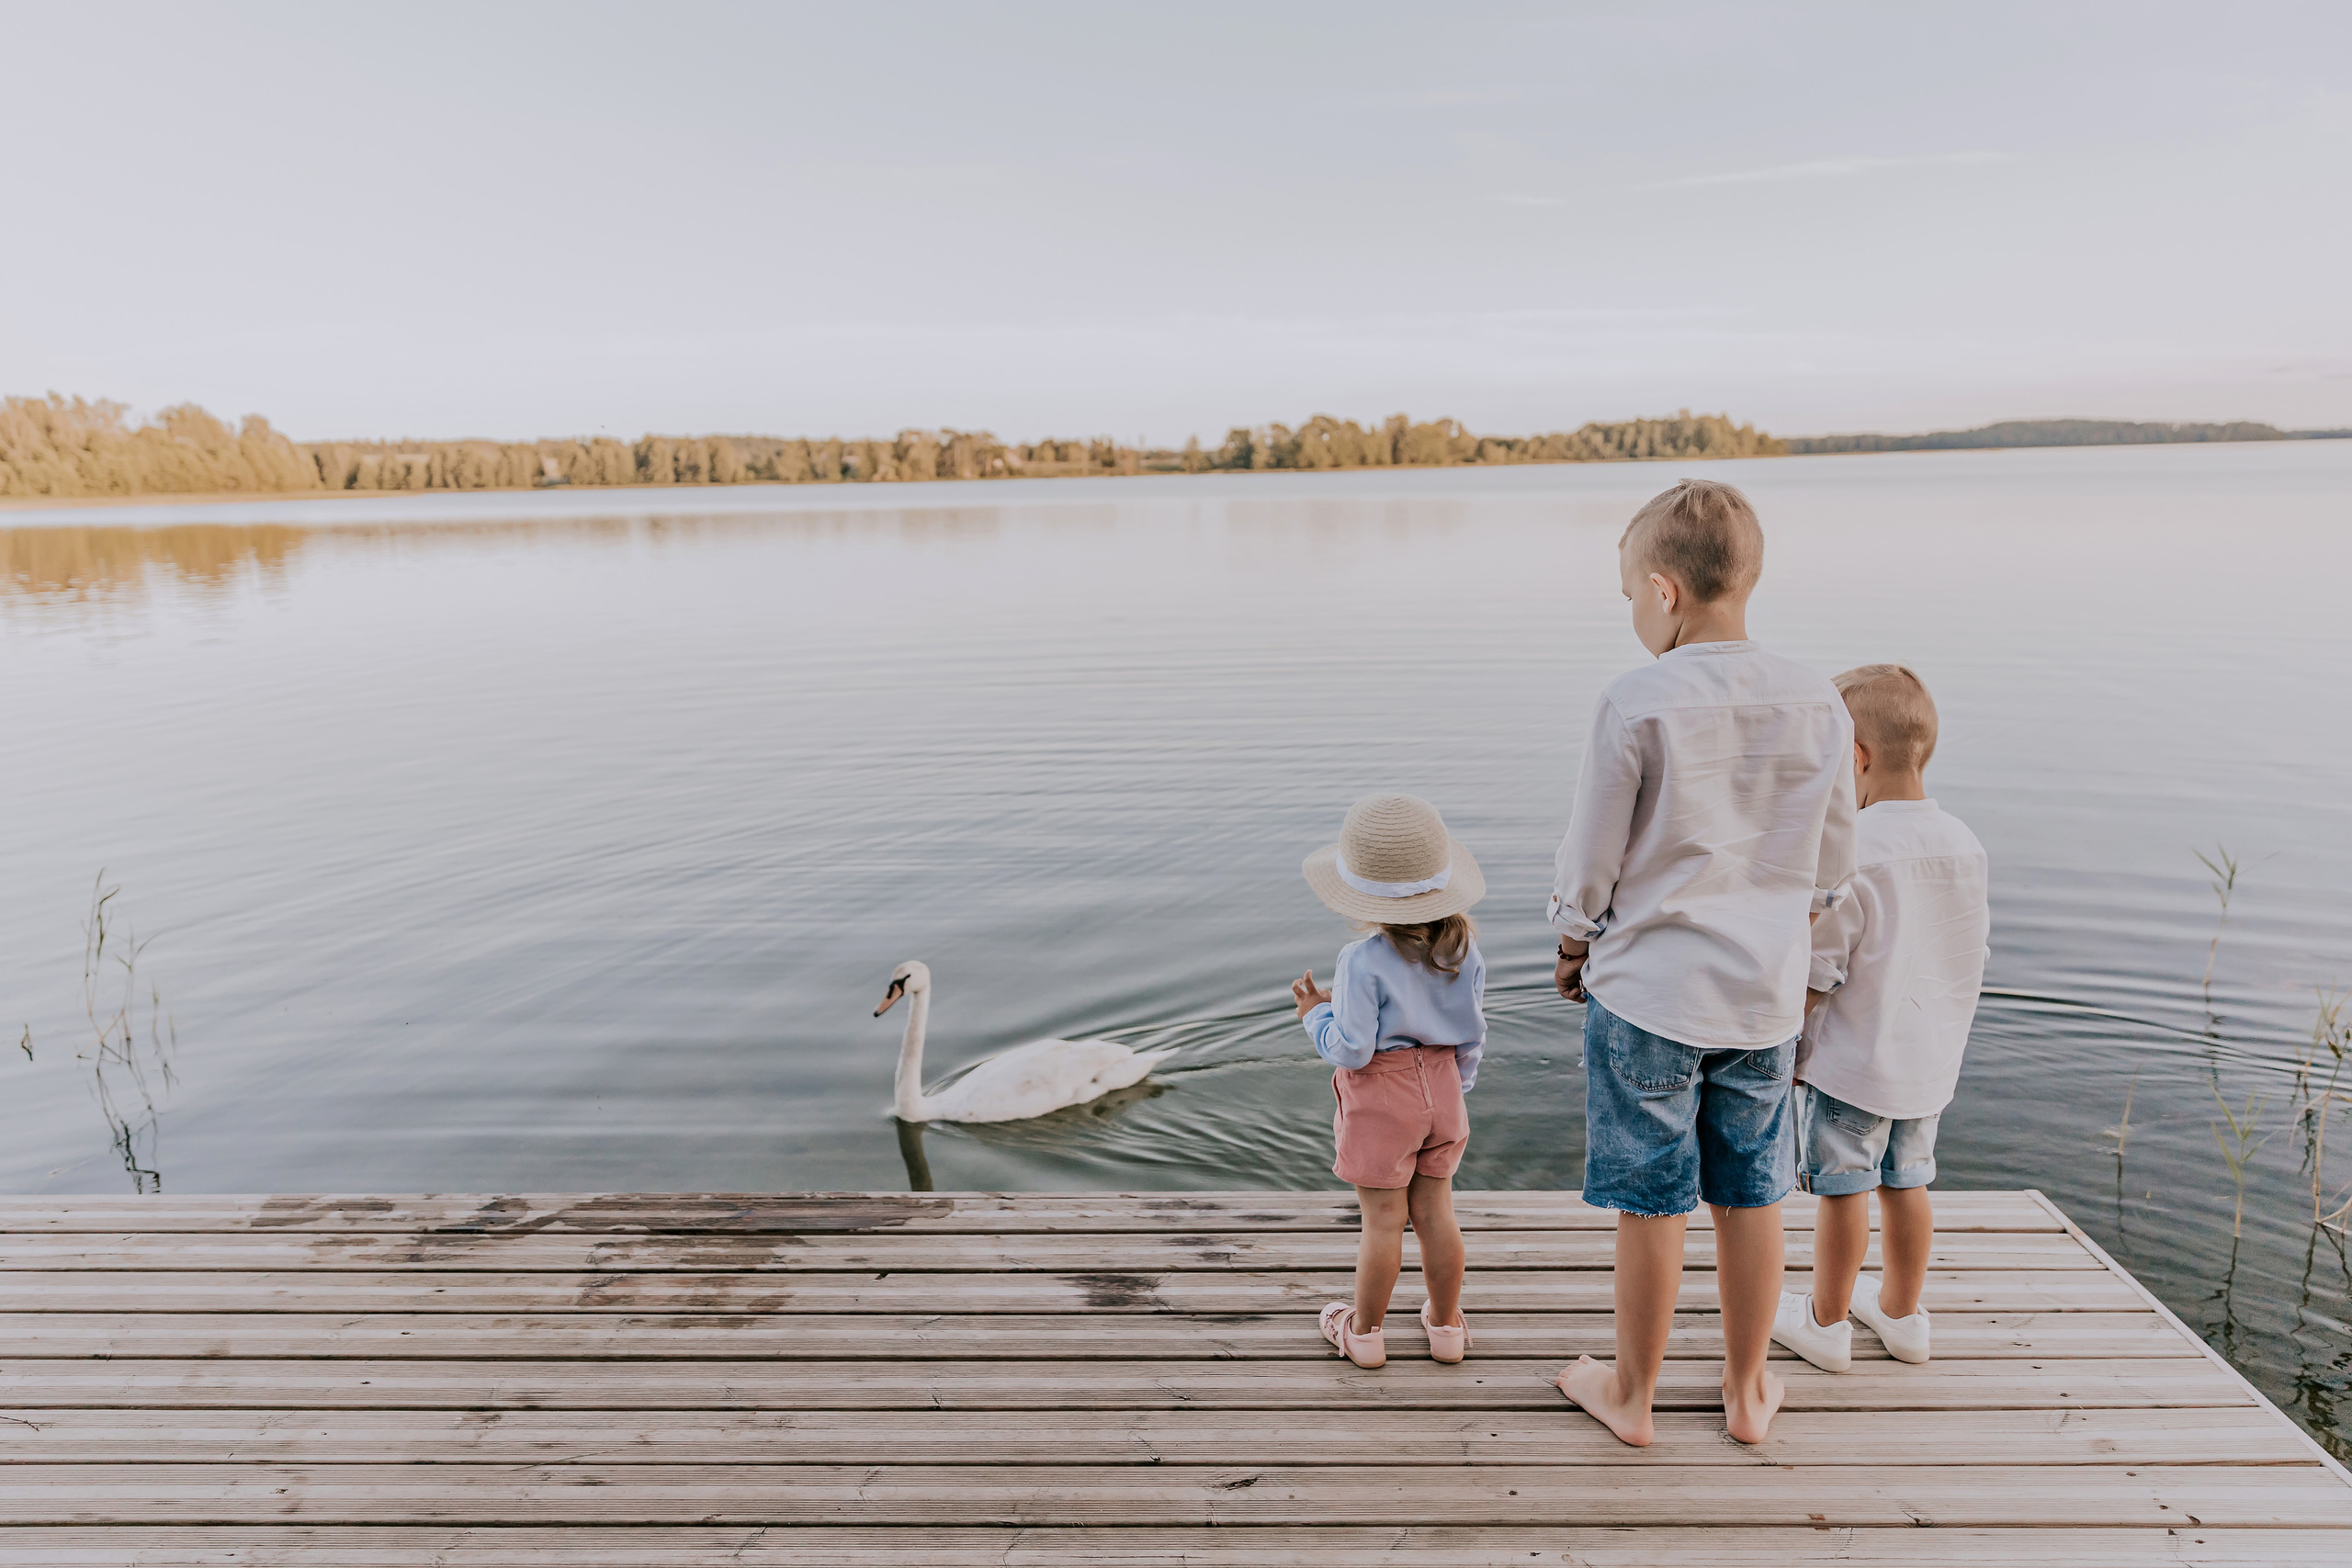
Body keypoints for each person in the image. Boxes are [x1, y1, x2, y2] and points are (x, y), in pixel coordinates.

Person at [1548, 478, 1856, 1446]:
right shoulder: (1817, 698)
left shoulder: (1634, 700)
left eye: (1630, 597)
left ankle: (1632, 1395)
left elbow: (1590, 859)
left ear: (1663, 589)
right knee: (1750, 1193)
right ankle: (1747, 1388)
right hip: (1763, 1000)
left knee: (1649, 1202)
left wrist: (1573, 936)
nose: (1634, 614)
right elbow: (1833, 864)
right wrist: (1778, 925)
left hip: (1647, 993)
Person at [1770, 664, 1990, 1371]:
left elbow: (1820, 967)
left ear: (1856, 757)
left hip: (1855, 1065)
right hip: (1928, 1063)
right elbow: (1969, 950)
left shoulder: (1855, 850)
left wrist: (1782, 1041)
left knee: (1844, 1191)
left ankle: (1827, 1322)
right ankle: (1902, 1314)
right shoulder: (1964, 842)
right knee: (1909, 1182)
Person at [1290, 792, 1487, 1370]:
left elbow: (1352, 1049)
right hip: (1445, 1086)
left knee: (1381, 1222)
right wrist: (1457, 1086)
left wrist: (1315, 1015)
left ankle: (1367, 1335)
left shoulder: (1360, 959)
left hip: (1383, 1097)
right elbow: (1471, 1032)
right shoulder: (1464, 947)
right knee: (1436, 1213)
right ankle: (1447, 1329)